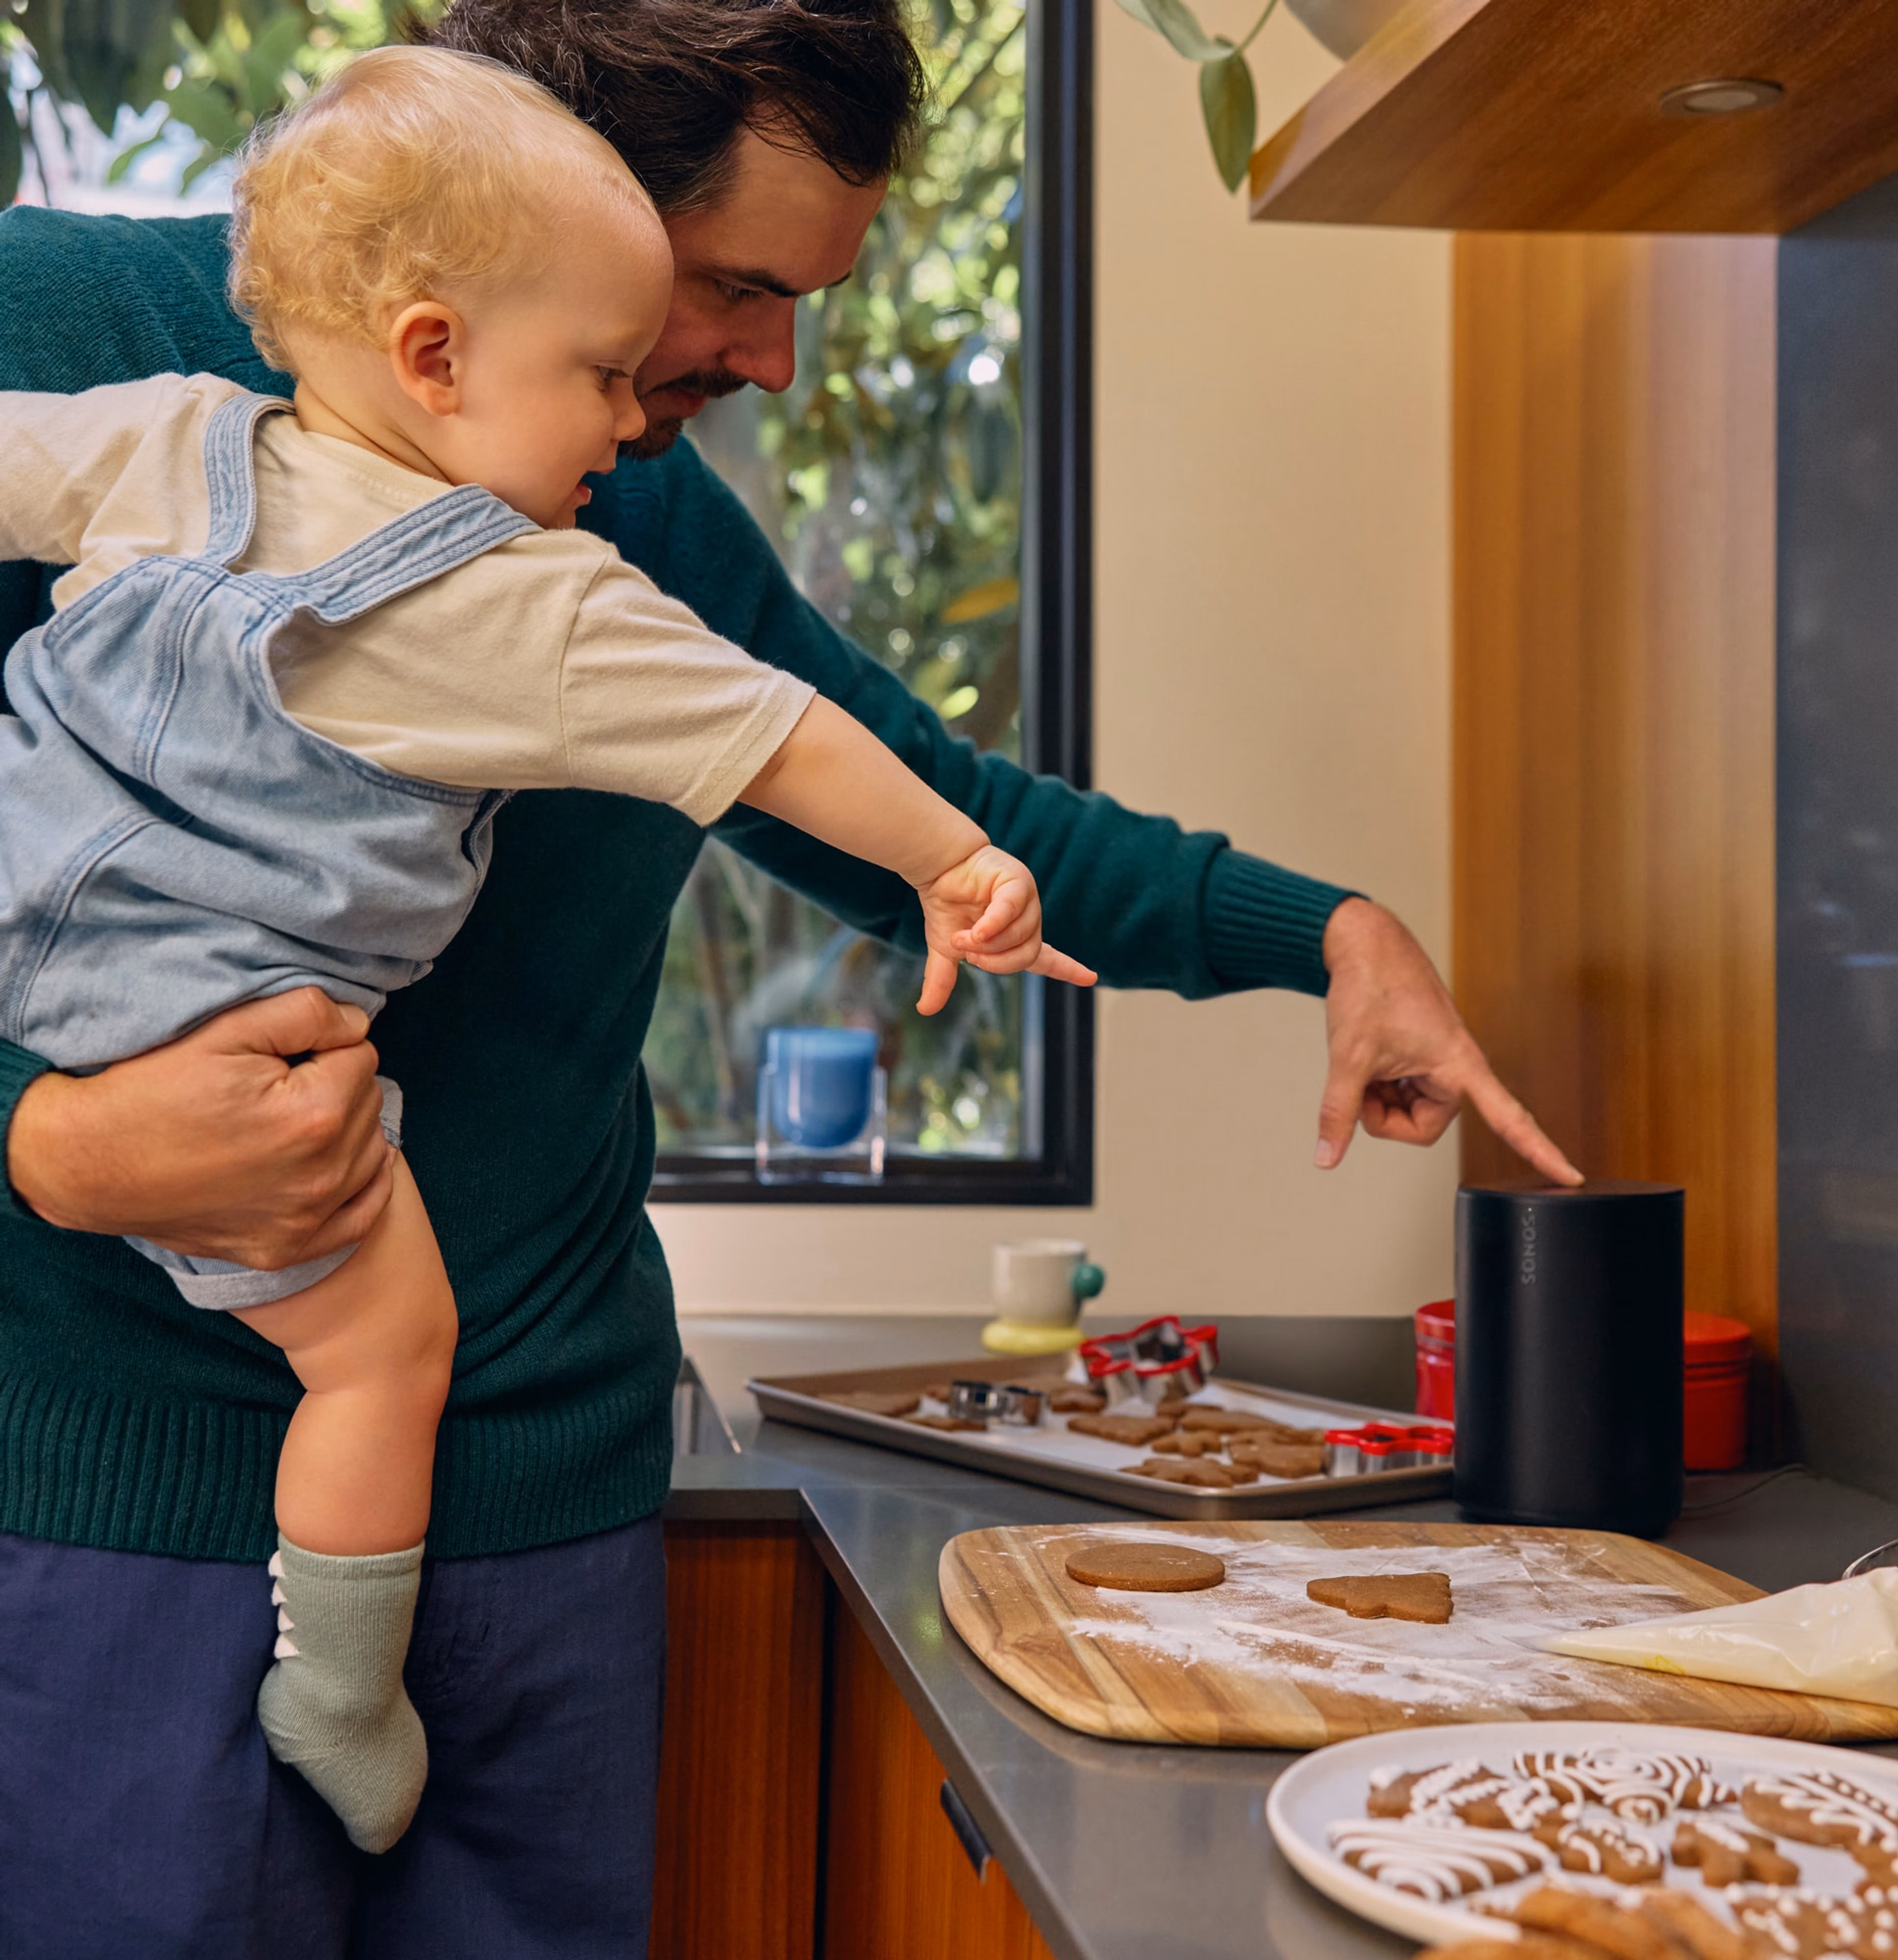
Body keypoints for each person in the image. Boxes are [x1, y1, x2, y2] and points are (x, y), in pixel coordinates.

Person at [0, 0, 1579, 1950]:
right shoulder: (60, 348)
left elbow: (923, 811)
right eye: (735, 286)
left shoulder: (614, 515)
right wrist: (45, 1138)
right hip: (104, 1519)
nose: (772, 356)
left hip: (542, 1529)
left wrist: (1325, 931)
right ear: (535, 197)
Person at [0, 43, 1093, 1859]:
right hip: (206, 1052)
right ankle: (338, 1681)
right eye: (627, 354)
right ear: (440, 349)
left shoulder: (163, 434)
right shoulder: (530, 594)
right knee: (379, 1354)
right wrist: (957, 865)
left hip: (39, 932)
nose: (632, 422)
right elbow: (793, 747)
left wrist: (1316, 932)